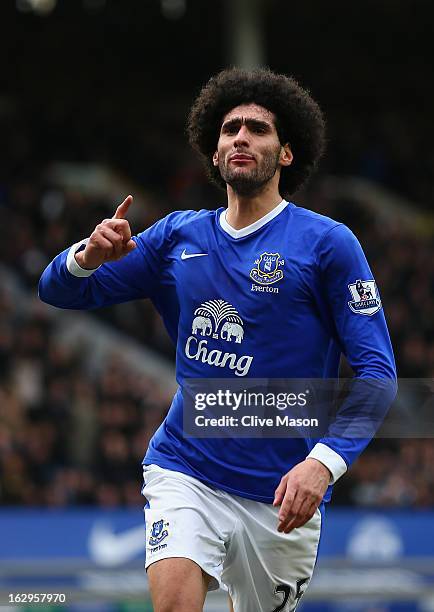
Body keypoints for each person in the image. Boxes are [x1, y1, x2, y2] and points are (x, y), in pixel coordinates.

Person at [39, 68, 396, 612]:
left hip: (280, 495)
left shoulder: (328, 244)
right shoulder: (177, 237)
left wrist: (322, 464)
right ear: (214, 151)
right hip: (187, 468)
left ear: (286, 154)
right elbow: (57, 292)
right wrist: (85, 258)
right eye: (230, 129)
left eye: (258, 128)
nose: (241, 138)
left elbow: (378, 375)